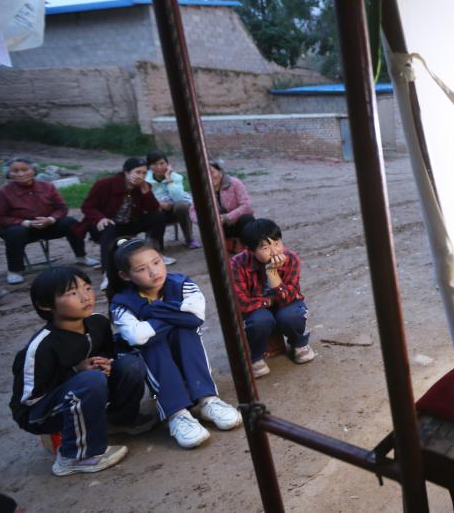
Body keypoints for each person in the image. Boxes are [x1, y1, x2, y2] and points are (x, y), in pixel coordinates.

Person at [9, 267, 149, 476]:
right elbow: (31, 400)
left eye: (87, 288)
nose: (85, 297)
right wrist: (76, 372)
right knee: (90, 380)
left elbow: (109, 355)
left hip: (85, 392)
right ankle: (75, 456)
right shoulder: (42, 347)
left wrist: (107, 364)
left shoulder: (98, 322)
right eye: (72, 293)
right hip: (39, 412)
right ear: (45, 304)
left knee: (130, 364)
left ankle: (120, 419)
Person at [107, 238, 241, 448]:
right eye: (141, 269)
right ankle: (176, 412)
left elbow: (196, 317)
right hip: (153, 358)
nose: (153, 272)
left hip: (182, 346)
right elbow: (137, 336)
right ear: (125, 275)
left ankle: (207, 399)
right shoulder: (122, 303)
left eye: (156, 262)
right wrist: (177, 315)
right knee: (153, 342)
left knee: (185, 331)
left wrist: (150, 311)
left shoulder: (182, 283)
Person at [230, 219, 315, 378]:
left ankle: (299, 344)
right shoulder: (237, 264)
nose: (275, 252)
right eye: (265, 248)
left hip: (284, 305)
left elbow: (289, 297)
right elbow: (241, 304)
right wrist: (268, 301)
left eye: (277, 243)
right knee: (259, 321)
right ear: (251, 251)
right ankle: (255, 356)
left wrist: (272, 273)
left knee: (292, 314)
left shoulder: (291, 258)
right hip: (256, 310)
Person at [0, 157, 98, 285]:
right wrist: (25, 223)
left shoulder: (47, 186)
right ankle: (15, 270)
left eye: (24, 170)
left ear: (33, 170)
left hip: (49, 225)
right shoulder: (3, 192)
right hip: (22, 229)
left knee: (71, 222)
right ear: (9, 174)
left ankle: (81, 256)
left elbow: (62, 208)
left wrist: (51, 219)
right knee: (14, 233)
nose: (20, 174)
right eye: (15, 171)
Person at [77, 158, 173, 283]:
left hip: (129, 223)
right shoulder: (105, 184)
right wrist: (100, 218)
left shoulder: (144, 186)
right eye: (137, 172)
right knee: (108, 227)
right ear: (126, 172)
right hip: (105, 225)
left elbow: (153, 209)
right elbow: (87, 206)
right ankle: (108, 273)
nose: (141, 176)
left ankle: (155, 252)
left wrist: (146, 192)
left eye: (144, 173)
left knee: (158, 216)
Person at [145, 150, 200, 250]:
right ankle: (156, 244)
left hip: (176, 211)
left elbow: (178, 198)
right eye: (154, 164)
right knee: (154, 210)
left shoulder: (176, 177)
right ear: (149, 166)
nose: (159, 167)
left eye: (162, 163)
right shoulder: (145, 179)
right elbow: (144, 198)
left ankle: (189, 239)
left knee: (182, 205)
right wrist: (159, 204)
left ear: (167, 164)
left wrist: (169, 179)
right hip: (157, 212)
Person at [190, 159, 254, 241]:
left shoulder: (235, 183)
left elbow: (246, 206)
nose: (209, 177)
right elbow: (193, 210)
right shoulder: (201, 189)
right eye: (205, 174)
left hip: (237, 221)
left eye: (212, 172)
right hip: (218, 225)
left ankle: (248, 245)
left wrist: (226, 217)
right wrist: (203, 221)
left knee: (247, 218)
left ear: (220, 171)